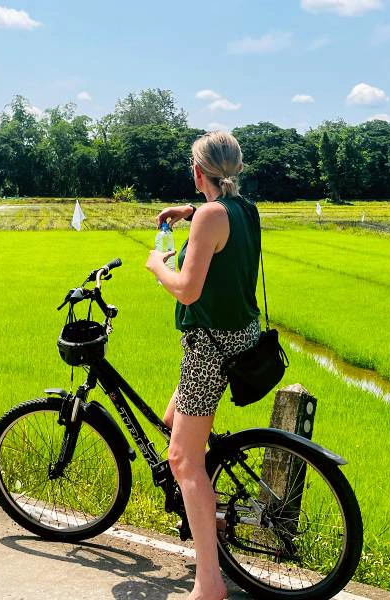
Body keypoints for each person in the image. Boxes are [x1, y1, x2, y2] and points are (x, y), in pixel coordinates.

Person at [145, 131, 261, 600]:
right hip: (242, 338)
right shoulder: (244, 209)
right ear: (236, 168)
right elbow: (217, 218)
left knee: (181, 459)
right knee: (171, 420)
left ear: (197, 172)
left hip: (209, 349)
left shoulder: (212, 216)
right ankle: (206, 504)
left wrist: (157, 265)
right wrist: (187, 212)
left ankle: (209, 583)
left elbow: (188, 291)